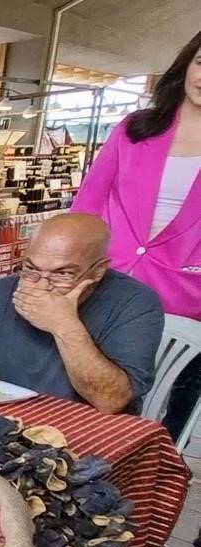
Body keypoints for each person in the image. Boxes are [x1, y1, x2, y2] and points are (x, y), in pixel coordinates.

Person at [72, 30, 200, 438]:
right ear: (187, 64)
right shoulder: (135, 128)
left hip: (189, 298)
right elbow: (88, 204)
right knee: (94, 396)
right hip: (111, 282)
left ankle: (153, 483)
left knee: (167, 417)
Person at [0, 213, 163, 414]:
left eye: (62, 274)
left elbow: (111, 401)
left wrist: (64, 326)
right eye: (30, 269)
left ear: (99, 270)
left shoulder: (134, 303)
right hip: (0, 418)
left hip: (85, 426)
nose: (40, 287)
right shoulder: (0, 292)